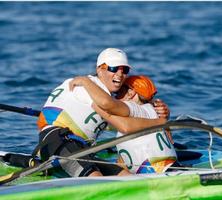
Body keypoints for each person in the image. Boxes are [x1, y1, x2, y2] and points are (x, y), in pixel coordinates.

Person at [35, 48, 170, 177]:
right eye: (114, 68)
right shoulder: (86, 85)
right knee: (97, 179)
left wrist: (155, 109)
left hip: (81, 149)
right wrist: (85, 81)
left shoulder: (102, 94)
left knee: (127, 177)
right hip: (57, 142)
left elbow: (126, 121)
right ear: (100, 69)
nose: (120, 74)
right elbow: (109, 106)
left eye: (125, 70)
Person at [69, 75, 177, 174]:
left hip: (157, 174)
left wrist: (92, 101)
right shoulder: (152, 112)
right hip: (168, 168)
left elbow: (112, 108)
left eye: (119, 93)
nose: (116, 97)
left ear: (131, 93)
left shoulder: (137, 109)